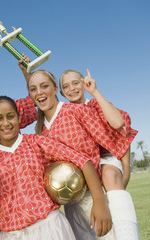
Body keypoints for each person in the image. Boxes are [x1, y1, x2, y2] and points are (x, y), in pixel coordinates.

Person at [20, 67, 137, 239]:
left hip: (96, 198)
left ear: (55, 90)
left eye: (44, 86)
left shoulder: (77, 111)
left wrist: (125, 173)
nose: (39, 92)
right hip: (72, 206)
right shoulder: (39, 129)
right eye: (33, 89)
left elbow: (116, 135)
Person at [0, 96, 112, 240]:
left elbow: (83, 160)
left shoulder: (36, 142)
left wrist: (100, 201)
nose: (6, 123)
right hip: (11, 235)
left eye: (10, 116)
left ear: (19, 118)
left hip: (50, 227)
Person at [59, 69, 140, 240]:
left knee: (109, 174)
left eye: (75, 83)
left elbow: (119, 124)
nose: (72, 88)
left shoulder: (94, 104)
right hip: (87, 162)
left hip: (109, 154)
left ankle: (128, 234)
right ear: (61, 92)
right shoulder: (65, 115)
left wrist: (94, 91)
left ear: (83, 83)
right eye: (66, 86)